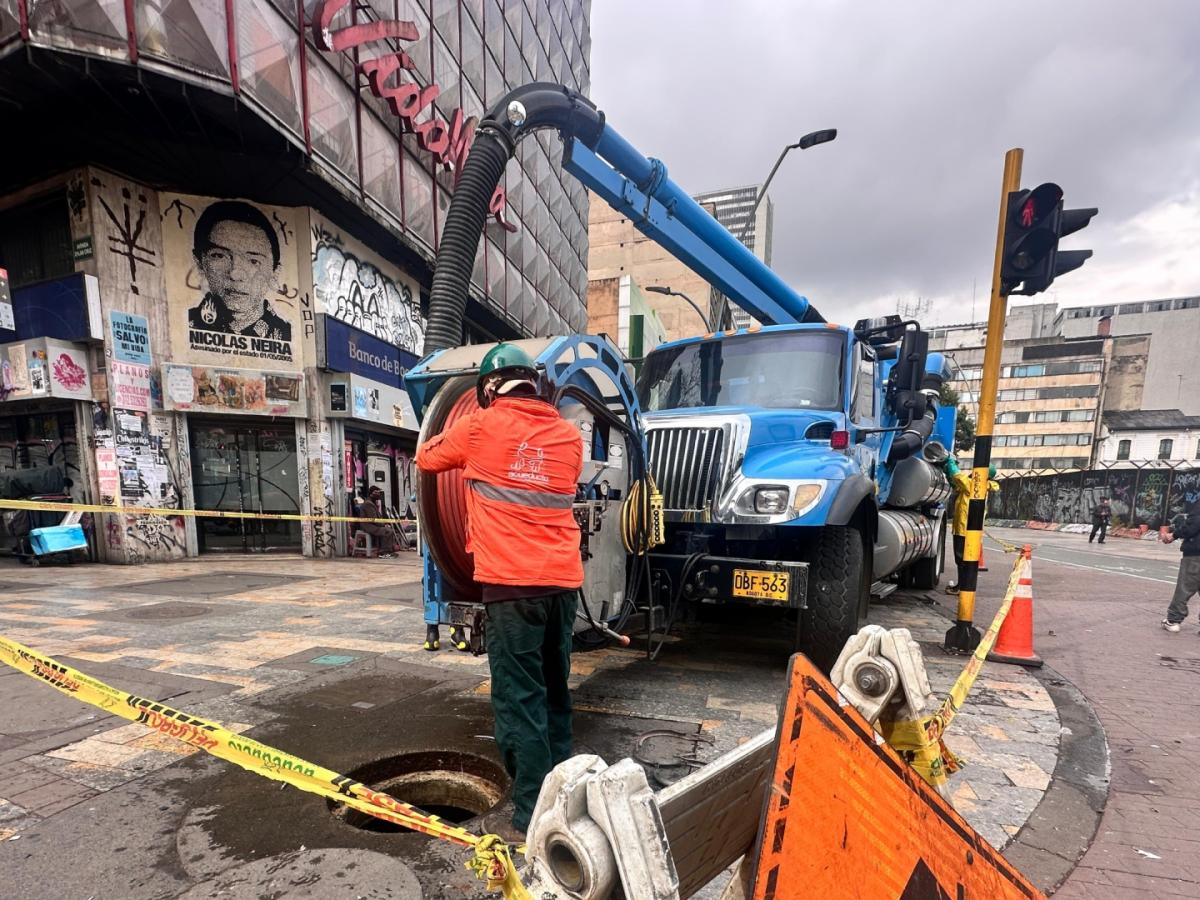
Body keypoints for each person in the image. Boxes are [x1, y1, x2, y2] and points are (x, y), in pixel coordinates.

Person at [415, 343, 583, 840]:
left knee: (519, 698)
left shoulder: (478, 427)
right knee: (556, 690)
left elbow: (427, 458)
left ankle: (532, 814)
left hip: (513, 588)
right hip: (562, 585)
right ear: (534, 385)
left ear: (489, 388)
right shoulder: (569, 437)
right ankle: (567, 794)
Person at [190, 200, 292, 342]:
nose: (235, 274)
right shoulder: (187, 325)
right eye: (219, 255)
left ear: (275, 272)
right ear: (200, 263)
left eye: (253, 261)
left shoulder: (286, 334)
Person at [944, 458, 999, 594]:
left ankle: (963, 588)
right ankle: (963, 586)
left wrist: (950, 463)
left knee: (963, 559)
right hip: (966, 529)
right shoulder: (976, 487)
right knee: (964, 560)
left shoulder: (976, 486)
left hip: (965, 530)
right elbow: (957, 484)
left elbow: (958, 477)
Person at [1161, 499, 1200, 633]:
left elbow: (1194, 524)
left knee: (1184, 587)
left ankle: (1173, 620)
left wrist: (1174, 535)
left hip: (1196, 552)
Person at [357, 486, 397, 557]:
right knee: (387, 531)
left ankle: (389, 551)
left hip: (372, 525)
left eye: (379, 492)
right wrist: (384, 525)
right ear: (371, 494)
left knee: (388, 530)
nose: (378, 494)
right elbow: (374, 519)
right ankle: (384, 552)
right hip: (368, 526)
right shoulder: (368, 504)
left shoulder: (372, 503)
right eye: (376, 492)